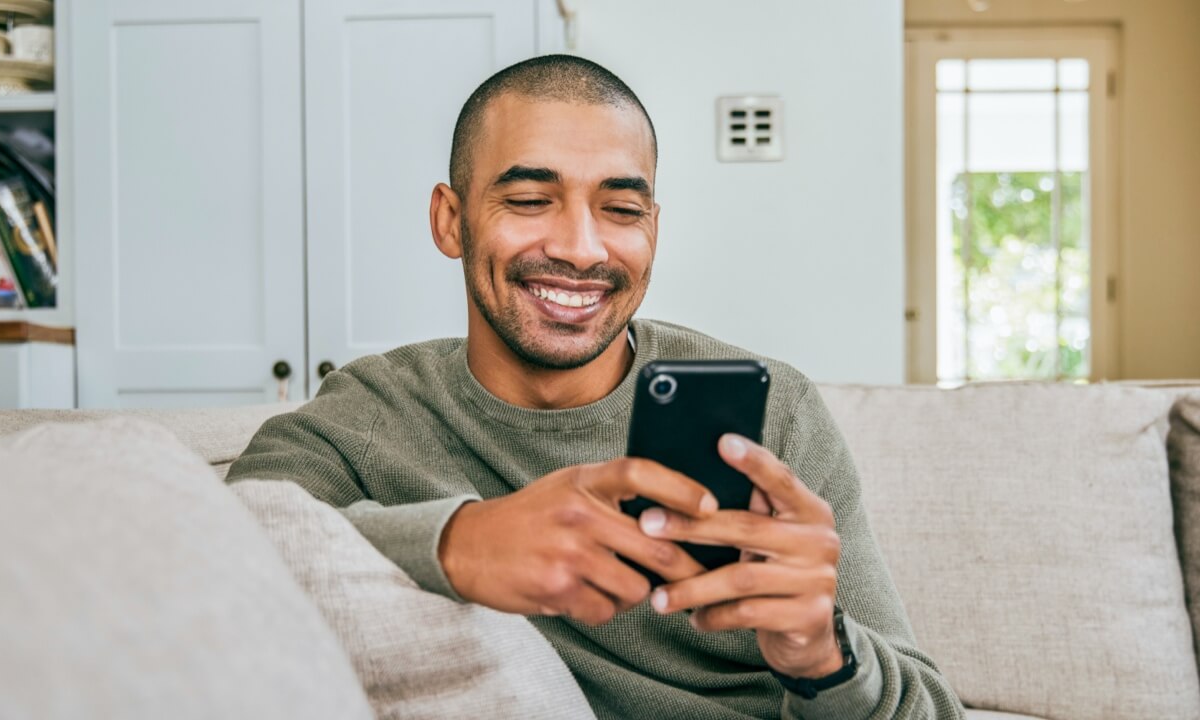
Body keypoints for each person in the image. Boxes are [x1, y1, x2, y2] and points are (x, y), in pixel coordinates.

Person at [227, 54, 965, 719]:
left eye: (621, 210)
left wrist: (822, 656)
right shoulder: (368, 417)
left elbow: (933, 711)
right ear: (451, 221)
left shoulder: (777, 413)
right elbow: (211, 555)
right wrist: (460, 543)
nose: (581, 249)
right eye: (528, 200)